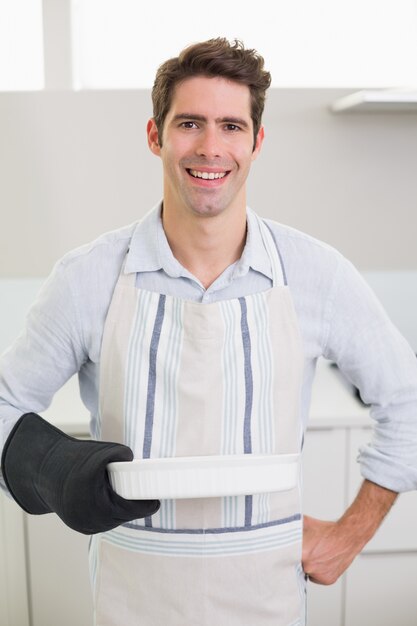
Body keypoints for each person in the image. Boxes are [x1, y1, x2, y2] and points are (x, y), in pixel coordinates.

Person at [1, 37, 417, 626]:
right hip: (131, 603)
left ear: (257, 142)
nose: (211, 147)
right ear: (155, 136)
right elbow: (4, 406)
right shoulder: (88, 278)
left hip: (267, 604)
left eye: (231, 126)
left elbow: (408, 401)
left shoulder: (315, 275)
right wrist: (50, 467)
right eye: (190, 123)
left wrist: (350, 533)